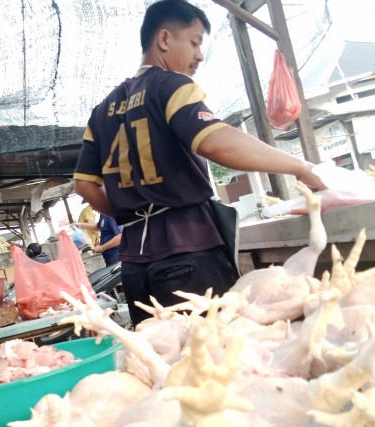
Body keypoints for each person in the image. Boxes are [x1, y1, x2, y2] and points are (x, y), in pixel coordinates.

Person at [73, 0, 326, 327]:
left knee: (167, 363)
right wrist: (303, 168)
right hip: (186, 256)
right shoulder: (171, 86)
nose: (200, 55)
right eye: (193, 42)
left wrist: (129, 214)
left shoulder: (101, 111)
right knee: (216, 358)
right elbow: (213, 141)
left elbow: (84, 185)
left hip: (135, 268)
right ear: (164, 39)